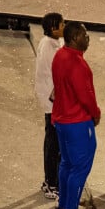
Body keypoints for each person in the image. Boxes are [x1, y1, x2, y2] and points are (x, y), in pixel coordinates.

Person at [51, 21, 101, 209]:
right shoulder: (78, 65)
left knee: (67, 165)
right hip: (77, 123)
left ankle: (63, 208)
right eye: (84, 35)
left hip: (61, 120)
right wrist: (96, 114)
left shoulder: (59, 55)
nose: (87, 38)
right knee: (79, 169)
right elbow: (86, 96)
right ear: (73, 39)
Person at [35, 12, 64, 199]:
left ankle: (53, 181)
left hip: (55, 101)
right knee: (53, 144)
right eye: (62, 24)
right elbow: (53, 76)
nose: (64, 26)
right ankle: (51, 183)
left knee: (56, 143)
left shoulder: (55, 42)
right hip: (52, 102)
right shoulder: (48, 47)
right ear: (53, 28)